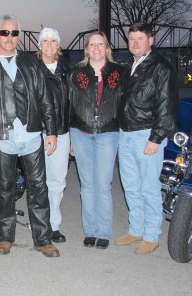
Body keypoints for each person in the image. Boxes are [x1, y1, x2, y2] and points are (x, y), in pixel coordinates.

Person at [0, 14, 59, 257]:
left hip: (31, 136)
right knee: (5, 188)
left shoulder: (31, 63)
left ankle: (43, 239)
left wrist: (51, 131)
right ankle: (5, 237)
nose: (10, 38)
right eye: (5, 33)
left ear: (18, 36)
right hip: (2, 137)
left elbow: (45, 98)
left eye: (14, 33)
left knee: (39, 188)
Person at [115, 22, 178, 254]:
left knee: (149, 187)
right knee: (130, 186)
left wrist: (156, 137)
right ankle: (136, 228)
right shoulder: (131, 65)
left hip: (146, 134)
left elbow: (167, 105)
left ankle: (151, 235)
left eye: (140, 38)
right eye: (132, 39)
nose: (135, 43)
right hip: (126, 133)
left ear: (151, 40)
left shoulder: (162, 67)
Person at [67, 31, 125, 249]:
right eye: (92, 44)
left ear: (106, 47)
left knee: (103, 185)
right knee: (87, 185)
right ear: (87, 49)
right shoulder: (76, 74)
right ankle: (90, 231)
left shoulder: (119, 72)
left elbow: (125, 105)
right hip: (80, 133)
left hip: (108, 133)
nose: (97, 48)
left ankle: (104, 232)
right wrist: (69, 139)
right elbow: (69, 107)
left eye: (100, 44)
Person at [37, 27, 70, 243]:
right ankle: (39, 223)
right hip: (35, 132)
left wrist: (73, 136)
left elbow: (74, 105)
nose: (49, 45)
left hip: (61, 131)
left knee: (57, 181)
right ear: (39, 45)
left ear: (59, 46)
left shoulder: (69, 71)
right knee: (37, 181)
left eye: (53, 41)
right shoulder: (30, 68)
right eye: (45, 41)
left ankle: (53, 225)